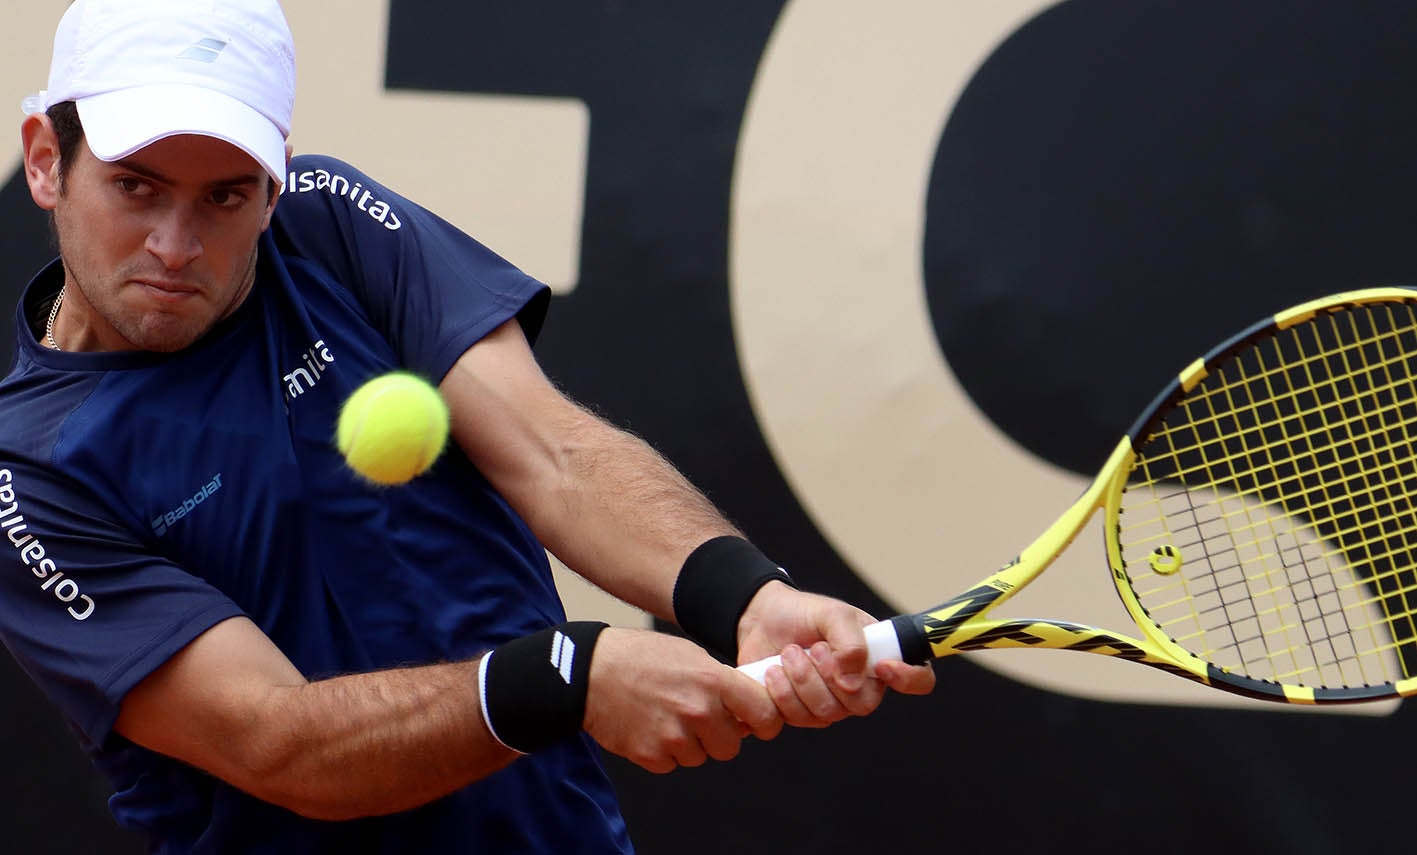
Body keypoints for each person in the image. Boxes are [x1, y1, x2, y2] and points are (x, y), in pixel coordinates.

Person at [0, 0, 934, 852]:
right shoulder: (29, 474)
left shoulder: (327, 225)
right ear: (46, 159)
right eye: (136, 187)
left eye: (225, 196)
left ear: (274, 186)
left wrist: (745, 599)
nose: (174, 245)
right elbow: (274, 738)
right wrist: (562, 677)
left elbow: (554, 453)